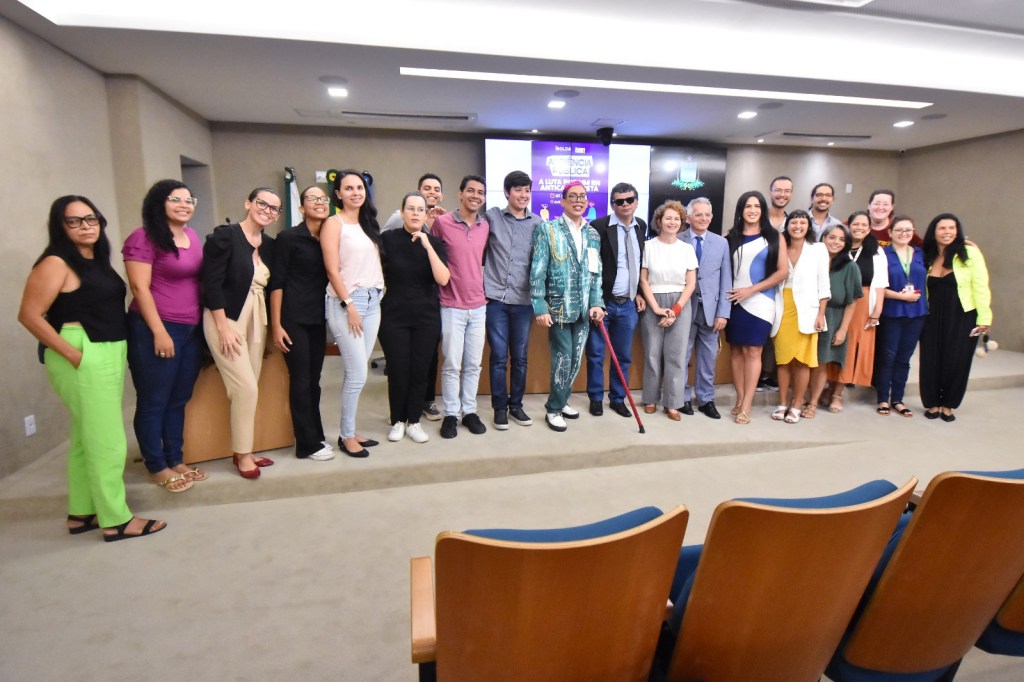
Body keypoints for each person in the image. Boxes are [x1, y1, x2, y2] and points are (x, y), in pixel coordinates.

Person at [18, 195, 166, 541]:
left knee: (87, 439)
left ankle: (82, 512)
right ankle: (116, 519)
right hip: (83, 348)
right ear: (60, 226)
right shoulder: (56, 262)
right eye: (74, 221)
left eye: (91, 218)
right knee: (108, 441)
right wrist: (74, 355)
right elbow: (29, 315)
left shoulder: (94, 260)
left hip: (107, 347)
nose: (86, 226)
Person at [123, 179, 206, 493]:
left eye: (189, 200)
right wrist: (159, 331)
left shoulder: (192, 236)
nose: (184, 205)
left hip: (190, 329)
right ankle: (156, 466)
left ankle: (175, 458)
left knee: (178, 398)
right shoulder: (143, 237)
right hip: (155, 328)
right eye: (176, 199)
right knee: (154, 400)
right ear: (159, 203)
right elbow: (139, 287)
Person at [202, 188, 278, 478]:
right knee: (245, 388)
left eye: (274, 208)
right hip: (227, 317)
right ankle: (243, 455)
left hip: (257, 318)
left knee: (251, 386)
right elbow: (211, 283)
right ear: (248, 203)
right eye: (262, 204)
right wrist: (222, 327)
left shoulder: (268, 245)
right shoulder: (225, 236)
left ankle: (244, 449)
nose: (267, 210)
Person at [530, 181, 605, 432]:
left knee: (575, 360)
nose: (578, 200)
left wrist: (597, 302)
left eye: (582, 196)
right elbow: (537, 271)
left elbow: (595, 273)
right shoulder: (548, 230)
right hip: (558, 310)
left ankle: (562, 401)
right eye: (572, 196)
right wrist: (540, 306)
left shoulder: (592, 234)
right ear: (562, 201)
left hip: (584, 311)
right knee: (562, 358)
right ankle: (553, 408)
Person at [320, 170, 385, 457]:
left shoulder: (367, 223)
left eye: (359, 187)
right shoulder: (333, 224)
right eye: (349, 188)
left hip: (372, 301)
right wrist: (350, 305)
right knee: (357, 373)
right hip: (347, 303)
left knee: (357, 372)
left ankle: (351, 429)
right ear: (338, 194)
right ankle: (346, 436)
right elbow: (332, 270)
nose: (356, 192)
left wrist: (380, 289)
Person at [378, 192, 450, 443]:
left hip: (426, 315)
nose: (416, 213)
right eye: (410, 208)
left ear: (426, 213)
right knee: (398, 369)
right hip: (394, 314)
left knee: (420, 370)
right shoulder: (387, 239)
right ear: (402, 212)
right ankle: (398, 420)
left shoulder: (435, 243)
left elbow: (443, 279)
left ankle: (414, 421)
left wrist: (427, 245)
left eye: (420, 209)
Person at [269, 185, 335, 461]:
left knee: (314, 381)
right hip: (293, 318)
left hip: (318, 317)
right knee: (301, 379)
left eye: (323, 198)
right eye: (312, 199)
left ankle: (315, 436)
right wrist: (276, 324)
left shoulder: (330, 237)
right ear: (301, 207)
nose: (319, 202)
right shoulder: (288, 238)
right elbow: (277, 283)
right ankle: (306, 445)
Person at [919, 213, 992, 422]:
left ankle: (949, 405)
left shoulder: (970, 253)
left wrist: (984, 318)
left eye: (952, 228)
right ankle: (932, 403)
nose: (947, 232)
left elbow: (981, 286)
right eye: (942, 228)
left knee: (957, 360)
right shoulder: (927, 255)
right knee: (930, 359)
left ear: (958, 231)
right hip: (931, 316)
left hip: (963, 316)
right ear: (934, 232)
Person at [432, 175, 489, 439]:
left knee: (474, 364)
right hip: (451, 304)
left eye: (481, 192)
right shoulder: (442, 223)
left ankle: (470, 411)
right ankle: (451, 414)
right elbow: (432, 258)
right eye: (471, 191)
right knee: (452, 364)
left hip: (478, 305)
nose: (476, 196)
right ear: (460, 193)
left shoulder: (485, 226)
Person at [724, 191, 789, 424]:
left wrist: (751, 290)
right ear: (740, 210)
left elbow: (782, 271)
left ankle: (747, 405)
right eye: (747, 206)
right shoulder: (729, 237)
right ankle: (739, 398)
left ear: (763, 210)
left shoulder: (774, 237)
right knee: (736, 351)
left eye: (757, 206)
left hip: (761, 301)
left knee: (753, 351)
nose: (752, 210)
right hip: (734, 301)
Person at [484, 170, 541, 430]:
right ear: (507, 192)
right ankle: (499, 408)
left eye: (527, 190)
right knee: (498, 356)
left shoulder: (538, 223)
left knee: (520, 357)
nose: (523, 195)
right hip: (495, 298)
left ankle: (516, 405)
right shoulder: (492, 217)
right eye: (518, 190)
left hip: (523, 301)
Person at [585, 182, 647, 417]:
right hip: (604, 303)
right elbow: (591, 266)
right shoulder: (599, 226)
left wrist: (638, 292)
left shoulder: (640, 226)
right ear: (612, 204)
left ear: (636, 202)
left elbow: (639, 265)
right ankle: (595, 398)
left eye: (629, 200)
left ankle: (618, 398)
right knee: (596, 354)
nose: (625, 204)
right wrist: (595, 301)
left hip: (628, 304)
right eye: (619, 201)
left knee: (623, 356)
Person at [638, 201, 697, 420]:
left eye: (676, 219)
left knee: (676, 356)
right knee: (652, 354)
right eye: (668, 218)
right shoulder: (648, 246)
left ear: (682, 222)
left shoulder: (687, 249)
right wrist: (656, 308)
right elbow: (643, 280)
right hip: (653, 301)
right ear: (659, 221)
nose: (672, 222)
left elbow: (691, 283)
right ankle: (650, 398)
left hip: (680, 303)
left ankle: (673, 403)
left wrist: (675, 310)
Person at [824, 211, 888, 412]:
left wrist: (877, 310)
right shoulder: (838, 246)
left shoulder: (876, 251)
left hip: (862, 303)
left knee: (850, 348)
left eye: (864, 225)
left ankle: (837, 393)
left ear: (869, 229)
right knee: (831, 342)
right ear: (848, 226)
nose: (859, 228)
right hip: (835, 301)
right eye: (855, 224)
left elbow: (880, 282)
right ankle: (827, 386)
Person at [770, 210, 830, 424]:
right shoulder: (780, 246)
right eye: (793, 222)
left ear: (808, 226)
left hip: (807, 310)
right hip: (783, 307)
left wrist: (821, 313)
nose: (797, 226)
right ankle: (782, 403)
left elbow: (824, 284)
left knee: (803, 362)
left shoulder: (818, 249)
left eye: (802, 223)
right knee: (783, 360)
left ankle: (797, 405)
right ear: (787, 226)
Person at [680, 197, 732, 419]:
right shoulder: (678, 239)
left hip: (711, 311)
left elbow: (726, 279)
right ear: (689, 217)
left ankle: (706, 399)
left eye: (707, 214)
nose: (703, 218)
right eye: (698, 214)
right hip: (684, 308)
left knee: (708, 358)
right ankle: (681, 398)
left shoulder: (721, 243)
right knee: (681, 355)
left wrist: (723, 312)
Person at [875, 216, 927, 417]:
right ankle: (882, 398)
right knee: (887, 357)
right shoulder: (883, 254)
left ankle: (897, 399)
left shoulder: (921, 253)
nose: (903, 234)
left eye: (908, 230)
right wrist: (901, 296)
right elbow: (878, 286)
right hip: (892, 312)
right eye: (899, 230)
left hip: (917, 313)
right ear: (890, 232)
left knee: (904, 358)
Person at [807, 224, 862, 413]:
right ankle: (799, 399)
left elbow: (852, 302)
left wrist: (842, 330)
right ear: (823, 238)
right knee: (803, 361)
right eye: (832, 237)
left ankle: (813, 402)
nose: (836, 242)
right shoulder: (811, 262)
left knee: (821, 362)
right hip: (808, 314)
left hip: (833, 318)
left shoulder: (850, 267)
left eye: (841, 239)